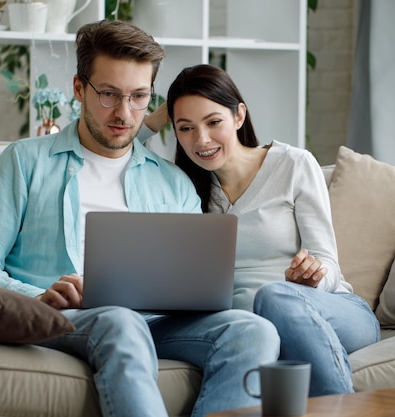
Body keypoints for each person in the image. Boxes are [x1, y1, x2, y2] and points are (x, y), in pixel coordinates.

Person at [0, 21, 280, 417]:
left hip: (156, 322)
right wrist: (37, 299)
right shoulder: (24, 162)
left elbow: (194, 280)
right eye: (108, 95)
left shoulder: (172, 183)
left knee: (253, 331)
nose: (124, 114)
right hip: (62, 317)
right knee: (120, 321)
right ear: (79, 88)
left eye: (139, 96)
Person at [158, 64, 380, 397]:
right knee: (256, 322)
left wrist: (313, 279)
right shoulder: (183, 189)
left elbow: (328, 263)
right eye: (185, 127)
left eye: (213, 121)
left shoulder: (292, 164)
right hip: (249, 326)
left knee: (274, 296)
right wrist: (157, 116)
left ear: (239, 116)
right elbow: (120, 147)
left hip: (328, 309)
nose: (200, 140)